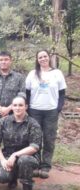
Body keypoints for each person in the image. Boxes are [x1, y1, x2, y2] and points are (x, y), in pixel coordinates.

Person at [0, 96, 42, 190]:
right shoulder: (3, 121)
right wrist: (2, 159)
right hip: (7, 155)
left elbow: (34, 146)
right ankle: (12, 177)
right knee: (2, 177)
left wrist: (16, 155)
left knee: (24, 161)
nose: (17, 108)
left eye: (21, 105)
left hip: (29, 156)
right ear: (12, 107)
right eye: (15, 105)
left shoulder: (33, 124)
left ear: (26, 107)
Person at [25, 50, 67, 179]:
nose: (42, 59)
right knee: (35, 139)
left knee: (49, 139)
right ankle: (35, 164)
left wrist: (58, 108)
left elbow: (62, 93)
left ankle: (45, 166)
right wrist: (28, 108)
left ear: (49, 58)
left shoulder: (57, 73)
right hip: (35, 111)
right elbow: (27, 92)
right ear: (37, 60)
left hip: (51, 112)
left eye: (45, 56)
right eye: (40, 57)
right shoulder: (32, 74)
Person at [0, 51, 26, 134]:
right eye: (1, 60)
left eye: (6, 59)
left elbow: (22, 95)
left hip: (13, 115)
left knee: (13, 141)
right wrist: (0, 109)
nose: (3, 62)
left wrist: (8, 109)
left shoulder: (19, 77)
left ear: (11, 61)